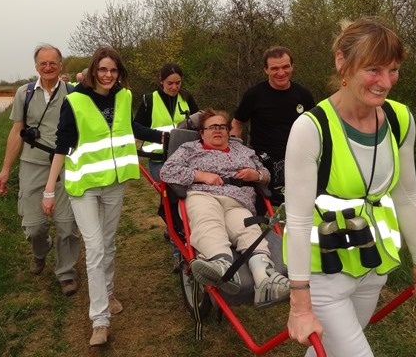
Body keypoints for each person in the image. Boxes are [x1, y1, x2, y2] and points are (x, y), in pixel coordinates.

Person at [284, 18, 416, 356]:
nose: (385, 82)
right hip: (323, 271)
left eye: (393, 70)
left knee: (329, 349)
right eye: (373, 69)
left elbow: (407, 194)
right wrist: (299, 304)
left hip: (374, 265)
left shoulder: (400, 119)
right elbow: (296, 222)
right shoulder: (311, 129)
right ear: (342, 61)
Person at [42, 46, 162, 347]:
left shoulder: (124, 97)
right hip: (84, 186)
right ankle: (100, 319)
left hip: (114, 184)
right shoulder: (75, 101)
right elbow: (62, 145)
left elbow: (129, 128)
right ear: (94, 70)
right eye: (103, 69)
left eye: (113, 70)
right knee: (94, 248)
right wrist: (48, 190)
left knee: (108, 243)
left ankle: (107, 292)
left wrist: (163, 136)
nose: (108, 75)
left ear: (119, 73)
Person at [159, 108, 290, 308]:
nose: (218, 130)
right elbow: (167, 170)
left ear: (229, 131)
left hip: (238, 199)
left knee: (249, 230)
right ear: (202, 133)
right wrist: (201, 175)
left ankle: (266, 279)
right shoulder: (190, 148)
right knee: (208, 220)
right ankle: (222, 266)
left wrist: (256, 176)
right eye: (212, 127)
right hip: (203, 193)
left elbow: (266, 174)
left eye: (222, 126)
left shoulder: (244, 151)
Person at [0, 44, 80, 297]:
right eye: (43, 63)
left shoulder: (74, 94)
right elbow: (16, 132)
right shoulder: (25, 93)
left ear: (61, 65)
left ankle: (66, 273)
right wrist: (5, 169)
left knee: (66, 225)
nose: (48, 67)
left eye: (53, 63)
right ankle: (41, 252)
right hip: (32, 165)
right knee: (34, 227)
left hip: (65, 165)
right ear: (36, 67)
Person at [231, 46, 315, 205]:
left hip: (297, 160)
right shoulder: (254, 95)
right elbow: (237, 122)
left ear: (292, 67)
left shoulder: (303, 94)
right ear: (266, 70)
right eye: (275, 68)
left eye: (285, 67)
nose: (281, 73)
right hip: (263, 161)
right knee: (259, 207)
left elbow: (314, 128)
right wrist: (236, 152)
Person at [133, 62, 200, 181]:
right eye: (170, 83)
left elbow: (200, 122)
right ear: (161, 81)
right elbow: (136, 128)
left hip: (186, 158)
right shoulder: (149, 100)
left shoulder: (187, 98)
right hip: (159, 159)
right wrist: (160, 136)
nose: (174, 87)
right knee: (167, 196)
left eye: (178, 83)